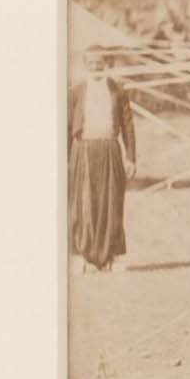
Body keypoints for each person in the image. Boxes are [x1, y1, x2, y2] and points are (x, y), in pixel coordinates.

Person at [68, 43, 138, 274]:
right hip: (84, 150)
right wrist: (65, 160)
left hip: (110, 149)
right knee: (83, 204)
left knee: (112, 203)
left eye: (100, 62)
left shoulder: (118, 91)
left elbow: (128, 125)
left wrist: (131, 157)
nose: (96, 67)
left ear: (107, 63)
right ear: (85, 65)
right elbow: (67, 127)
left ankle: (112, 258)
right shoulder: (76, 91)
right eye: (91, 63)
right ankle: (81, 257)